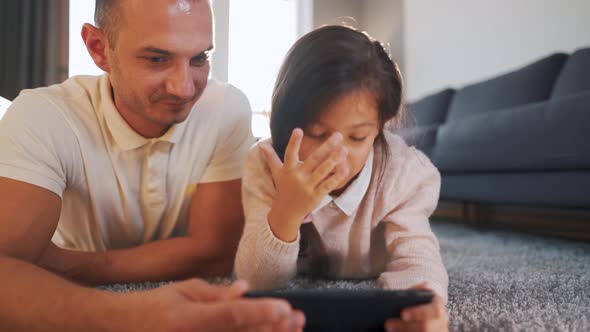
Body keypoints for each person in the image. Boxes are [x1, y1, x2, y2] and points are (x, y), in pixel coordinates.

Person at [0, 0, 304, 331]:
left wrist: (65, 264)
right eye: (157, 59)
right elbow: (7, 270)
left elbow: (215, 254)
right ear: (99, 48)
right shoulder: (43, 116)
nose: (184, 88)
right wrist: (132, 314)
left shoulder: (226, 108)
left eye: (199, 58)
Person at [235, 25, 449, 332]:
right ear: (284, 121)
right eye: (317, 134)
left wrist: (426, 305)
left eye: (357, 137)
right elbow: (255, 280)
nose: (335, 153)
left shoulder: (404, 175)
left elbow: (417, 257)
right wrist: (287, 211)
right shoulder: (266, 162)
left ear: (378, 130)